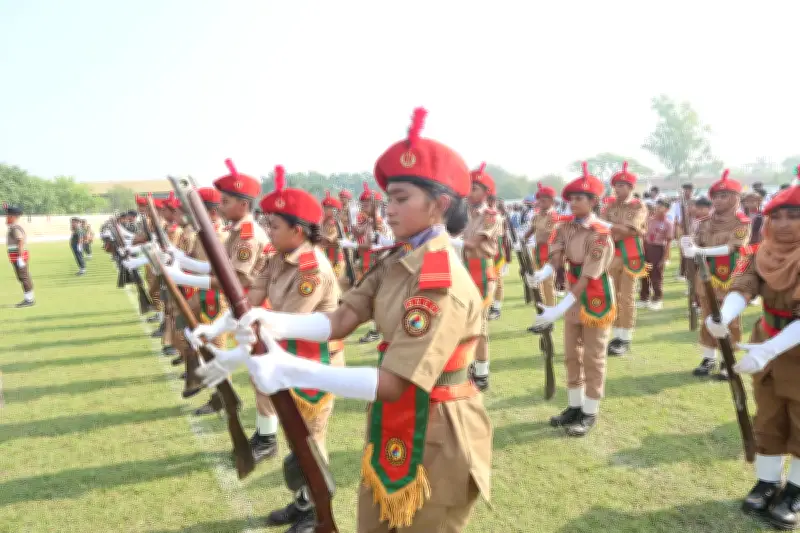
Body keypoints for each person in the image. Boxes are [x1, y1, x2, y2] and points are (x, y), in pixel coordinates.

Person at [198, 108, 491, 533]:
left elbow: (396, 382)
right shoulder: (398, 259)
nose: (388, 210)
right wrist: (273, 322)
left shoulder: (438, 281)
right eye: (388, 198)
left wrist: (291, 368)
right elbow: (344, 317)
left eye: (401, 198)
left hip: (439, 432)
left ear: (440, 205)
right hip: (396, 419)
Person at [202, 169, 345, 532]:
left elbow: (281, 324)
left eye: (275, 225)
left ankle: (315, 509)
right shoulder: (279, 256)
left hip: (312, 365)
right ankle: (303, 502)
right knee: (295, 437)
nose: (268, 231)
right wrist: (220, 326)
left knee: (310, 440)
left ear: (297, 230)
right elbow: (248, 302)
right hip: (285, 360)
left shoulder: (312, 270)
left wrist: (237, 354)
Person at [703, 184, 800, 529]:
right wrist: (724, 316)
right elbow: (744, 283)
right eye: (778, 216)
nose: (785, 223)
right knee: (768, 414)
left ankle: (796, 491)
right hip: (766, 337)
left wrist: (769, 351)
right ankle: (768, 480)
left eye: (794, 215)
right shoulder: (761, 249)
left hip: (792, 346)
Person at [166, 159, 272, 426]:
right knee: (248, 367)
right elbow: (217, 267)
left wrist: (181, 275)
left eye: (226, 201)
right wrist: (182, 262)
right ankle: (224, 400)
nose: (221, 206)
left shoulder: (247, 235)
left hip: (254, 306)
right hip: (245, 306)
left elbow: (231, 280)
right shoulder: (237, 232)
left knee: (259, 372)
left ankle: (261, 431)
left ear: (243, 204)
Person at [525, 163, 615, 437]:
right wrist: (541, 274)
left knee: (593, 356)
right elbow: (556, 257)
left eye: (580, 198)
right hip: (574, 292)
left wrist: (557, 309)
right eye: (572, 198)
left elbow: (589, 276)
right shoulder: (564, 227)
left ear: (593, 201)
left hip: (595, 296)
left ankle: (590, 411)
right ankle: (574, 406)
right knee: (571, 355)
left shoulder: (601, 234)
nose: (573, 203)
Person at [680, 170, 751, 379]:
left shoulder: (742, 222)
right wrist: (687, 245)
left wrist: (700, 251)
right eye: (716, 197)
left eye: (724, 196)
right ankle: (708, 357)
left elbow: (733, 247)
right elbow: (693, 246)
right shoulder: (704, 222)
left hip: (732, 274)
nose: (718, 201)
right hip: (707, 274)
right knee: (707, 316)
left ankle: (726, 360)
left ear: (735, 198)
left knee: (730, 319)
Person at [461, 162, 503, 390]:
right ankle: (469, 365)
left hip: (482, 272)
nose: (469, 191)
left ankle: (482, 371)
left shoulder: (491, 217)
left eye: (475, 188)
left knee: (480, 324)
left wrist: (446, 241)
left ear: (487, 193)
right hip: (466, 270)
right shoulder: (466, 214)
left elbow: (471, 243)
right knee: (465, 321)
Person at [604, 163, 648, 356]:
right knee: (613, 295)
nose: (618, 189)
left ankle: (625, 337)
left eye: (622, 185)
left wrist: (611, 226)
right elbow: (603, 228)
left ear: (631, 188)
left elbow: (630, 229)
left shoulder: (638, 206)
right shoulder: (609, 205)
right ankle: (616, 334)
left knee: (627, 297)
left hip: (630, 255)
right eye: (616, 185)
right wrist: (617, 227)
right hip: (612, 254)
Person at [523, 182, 560, 307]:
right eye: (539, 200)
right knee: (536, 282)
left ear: (551, 201)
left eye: (544, 200)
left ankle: (550, 310)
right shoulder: (537, 216)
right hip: (537, 251)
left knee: (548, 283)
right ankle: (542, 308)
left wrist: (534, 239)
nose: (540, 202)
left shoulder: (553, 216)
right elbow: (531, 230)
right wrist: (522, 240)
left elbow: (548, 235)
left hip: (549, 252)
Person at [639, 199, 673, 310]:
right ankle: (644, 297)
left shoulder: (668, 224)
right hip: (646, 248)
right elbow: (643, 235)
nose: (658, 209)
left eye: (661, 207)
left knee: (656, 274)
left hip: (658, 249)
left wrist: (665, 258)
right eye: (657, 207)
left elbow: (668, 242)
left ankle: (657, 298)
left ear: (667, 210)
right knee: (644, 273)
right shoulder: (649, 220)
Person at [4, 204, 35, 307]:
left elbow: (20, 240)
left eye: (8, 215)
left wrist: (20, 258)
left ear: (13, 217)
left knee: (23, 277)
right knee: (23, 277)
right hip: (17, 257)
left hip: (19, 257)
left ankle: (29, 300)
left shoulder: (15, 228)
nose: (6, 218)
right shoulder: (13, 227)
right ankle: (29, 298)